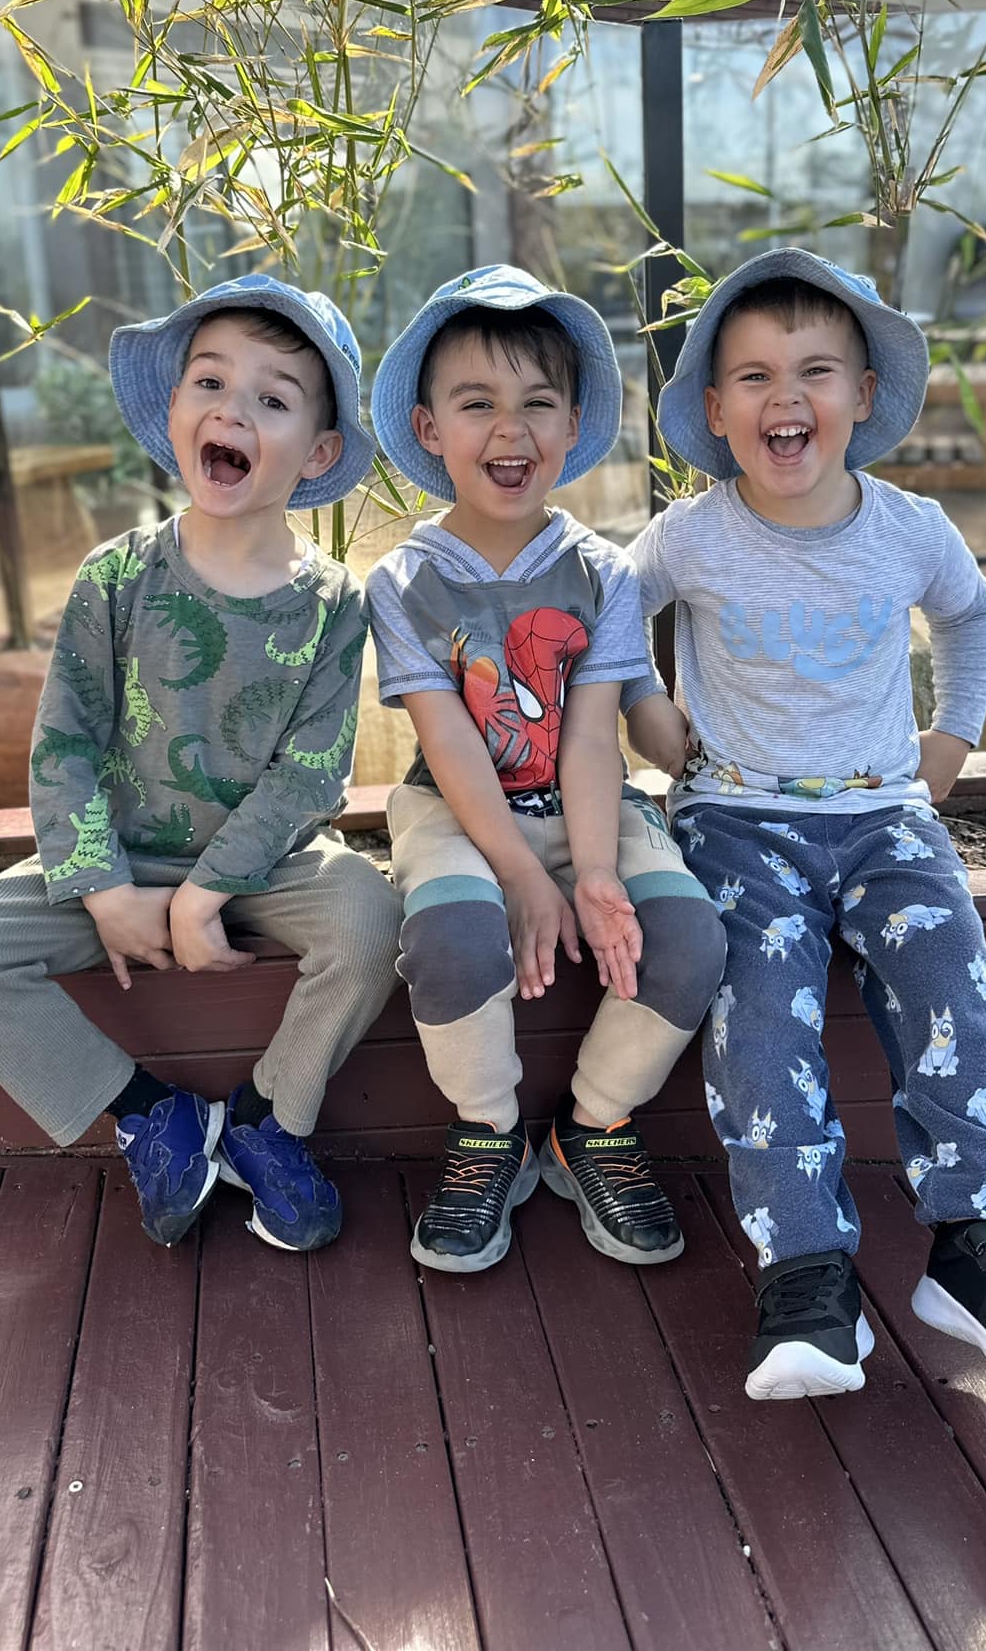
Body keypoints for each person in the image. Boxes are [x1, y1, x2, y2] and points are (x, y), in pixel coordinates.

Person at [624, 247, 986, 1398]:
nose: (782, 397)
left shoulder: (908, 527)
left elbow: (970, 612)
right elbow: (610, 622)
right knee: (757, 1000)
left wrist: (953, 738)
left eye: (812, 372)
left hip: (887, 815)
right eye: (749, 376)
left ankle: (980, 1243)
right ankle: (805, 1271)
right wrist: (654, 719)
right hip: (737, 820)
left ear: (861, 396)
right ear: (713, 411)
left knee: (954, 967)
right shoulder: (690, 535)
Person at [0, 276, 401, 1253]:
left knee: (374, 914)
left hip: (266, 865)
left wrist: (205, 892)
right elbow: (64, 744)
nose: (232, 408)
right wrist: (100, 889)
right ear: (174, 411)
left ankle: (269, 1121)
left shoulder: (332, 601)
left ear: (319, 449)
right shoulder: (118, 575)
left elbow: (311, 774)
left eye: (272, 397)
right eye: (209, 381)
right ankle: (155, 1117)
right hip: (123, 850)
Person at [364, 266, 726, 1274]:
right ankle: (488, 1128)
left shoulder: (604, 571)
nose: (509, 429)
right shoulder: (405, 581)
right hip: (456, 807)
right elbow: (445, 742)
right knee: (453, 931)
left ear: (572, 426)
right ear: (431, 427)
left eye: (537, 403)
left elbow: (592, 734)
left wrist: (594, 869)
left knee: (689, 939)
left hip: (588, 799)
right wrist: (523, 876)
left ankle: (593, 1123)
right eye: (477, 403)